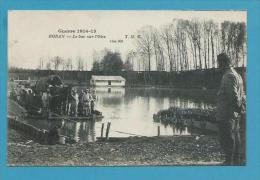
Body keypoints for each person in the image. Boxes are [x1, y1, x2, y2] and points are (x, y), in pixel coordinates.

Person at [216, 53, 245, 165]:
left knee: (227, 137)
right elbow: (242, 94)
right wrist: (240, 109)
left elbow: (233, 96)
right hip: (234, 113)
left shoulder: (228, 76)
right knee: (235, 135)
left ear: (223, 63)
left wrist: (237, 109)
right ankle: (235, 160)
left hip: (227, 113)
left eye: (219, 63)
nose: (218, 66)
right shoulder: (237, 75)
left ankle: (229, 161)